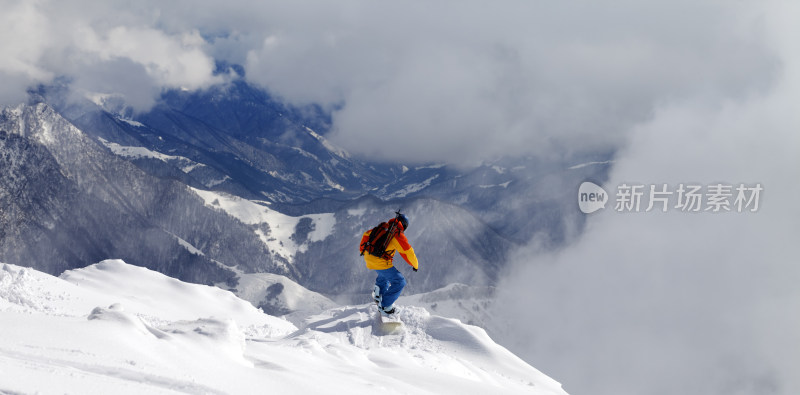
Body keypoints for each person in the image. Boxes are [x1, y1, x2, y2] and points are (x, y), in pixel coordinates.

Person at [359, 213, 419, 315]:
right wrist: (415, 265)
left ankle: (378, 293)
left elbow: (366, 235)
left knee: (385, 272)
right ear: (404, 225)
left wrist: (364, 252)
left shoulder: (382, 227)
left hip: (368, 257)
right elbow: (408, 251)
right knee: (400, 281)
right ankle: (385, 306)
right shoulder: (397, 234)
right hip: (379, 261)